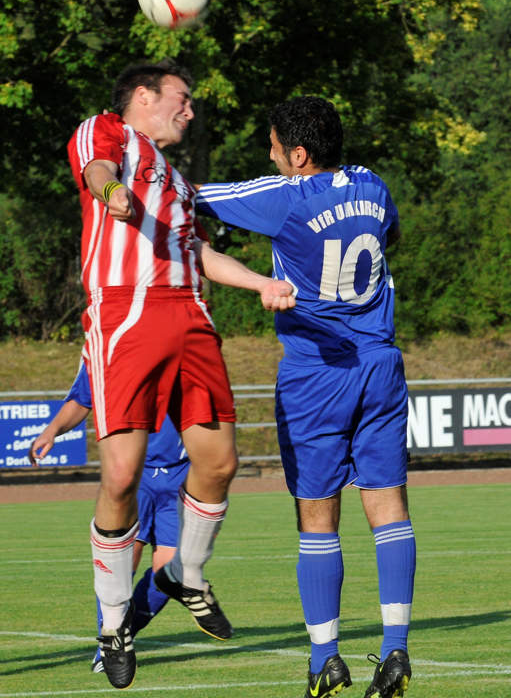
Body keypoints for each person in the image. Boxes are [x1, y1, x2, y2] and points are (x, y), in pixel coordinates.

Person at [67, 59, 295, 689]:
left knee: (219, 463)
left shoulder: (177, 181)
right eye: (182, 98)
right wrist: (112, 194)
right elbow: (97, 169)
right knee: (121, 476)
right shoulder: (110, 132)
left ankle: (184, 571)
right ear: (144, 97)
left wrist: (261, 282)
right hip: (127, 315)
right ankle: (115, 621)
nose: (190, 110)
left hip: (189, 314)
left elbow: (197, 252)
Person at [193, 96, 416, 698]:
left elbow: (189, 195)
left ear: (297, 154)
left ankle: (325, 658)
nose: (269, 157)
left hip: (317, 372)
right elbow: (390, 234)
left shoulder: (288, 195)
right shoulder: (373, 184)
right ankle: (396, 648)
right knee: (389, 506)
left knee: (317, 516)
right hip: (380, 363)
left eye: (273, 148)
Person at [29, 358, 226, 674]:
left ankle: (117, 641)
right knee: (122, 563)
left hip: (183, 474)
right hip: (133, 471)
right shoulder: (105, 349)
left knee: (172, 570)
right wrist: (52, 431)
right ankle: (109, 647)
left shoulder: (186, 343)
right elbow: (82, 399)